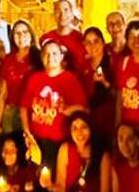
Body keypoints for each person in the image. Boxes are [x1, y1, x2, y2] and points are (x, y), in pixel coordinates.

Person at [22, 39, 89, 168]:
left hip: (58, 140)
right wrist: (27, 131)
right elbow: (24, 107)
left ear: (61, 57)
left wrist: (68, 110)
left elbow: (83, 108)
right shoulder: (35, 78)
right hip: (35, 139)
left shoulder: (70, 79)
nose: (50, 57)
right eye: (46, 54)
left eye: (54, 53)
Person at [0, 20, 41, 135]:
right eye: (17, 33)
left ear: (31, 35)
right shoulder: (8, 59)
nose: (21, 36)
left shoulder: (39, 57)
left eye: (25, 32)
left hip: (32, 111)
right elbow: (3, 92)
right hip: (10, 111)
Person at [41, 0, 88, 72]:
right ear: (54, 14)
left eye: (66, 10)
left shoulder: (81, 38)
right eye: (58, 11)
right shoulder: (46, 38)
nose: (62, 15)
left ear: (72, 14)